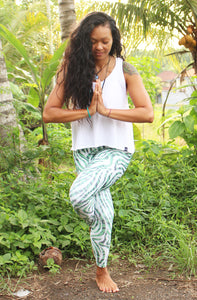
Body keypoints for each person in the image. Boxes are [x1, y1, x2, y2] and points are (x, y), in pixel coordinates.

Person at [43, 11, 154, 293]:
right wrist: (88, 110)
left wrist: (106, 111)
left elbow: (147, 113)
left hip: (116, 151)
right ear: (84, 42)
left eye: (105, 41)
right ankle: (101, 270)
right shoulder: (72, 69)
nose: (99, 47)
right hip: (84, 151)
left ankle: (102, 243)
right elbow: (49, 114)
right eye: (93, 41)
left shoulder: (125, 70)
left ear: (113, 39)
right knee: (103, 215)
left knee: (78, 195)